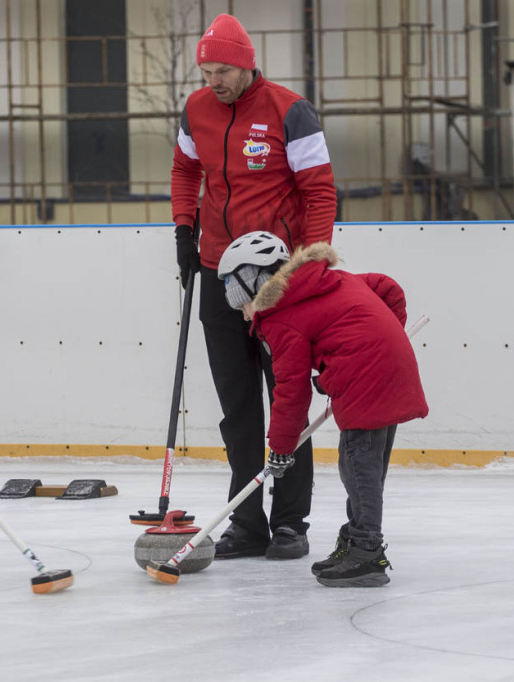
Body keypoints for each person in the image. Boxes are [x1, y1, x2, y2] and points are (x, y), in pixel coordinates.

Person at [171, 13, 338, 559]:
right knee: (237, 406)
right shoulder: (196, 109)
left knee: (285, 397)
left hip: (280, 280)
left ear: (245, 65)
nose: (212, 80)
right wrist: (182, 228)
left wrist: (311, 263)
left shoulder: (292, 111)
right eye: (206, 70)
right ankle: (246, 522)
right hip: (219, 272)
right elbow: (184, 169)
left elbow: (319, 192)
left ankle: (291, 522)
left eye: (221, 70)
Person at [216, 231, 428, 586]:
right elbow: (387, 288)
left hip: (366, 378)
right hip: (388, 370)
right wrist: (384, 336)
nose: (242, 314)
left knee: (359, 468)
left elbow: (291, 392)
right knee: (363, 467)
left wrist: (281, 449)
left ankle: (366, 552)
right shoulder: (326, 280)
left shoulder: (282, 317)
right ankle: (356, 538)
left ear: (253, 283)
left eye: (241, 302)